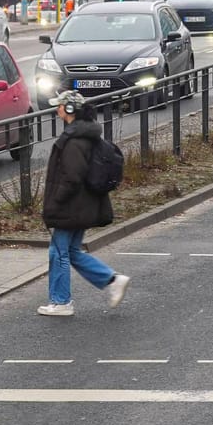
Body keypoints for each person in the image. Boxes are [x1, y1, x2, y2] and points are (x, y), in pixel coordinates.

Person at [38, 92, 128, 317]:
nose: (57, 110)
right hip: (84, 204)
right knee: (71, 251)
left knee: (57, 252)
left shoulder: (73, 141)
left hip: (71, 206)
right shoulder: (85, 135)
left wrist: (55, 202)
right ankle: (112, 280)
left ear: (69, 110)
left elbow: (72, 176)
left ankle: (61, 302)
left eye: (59, 106)